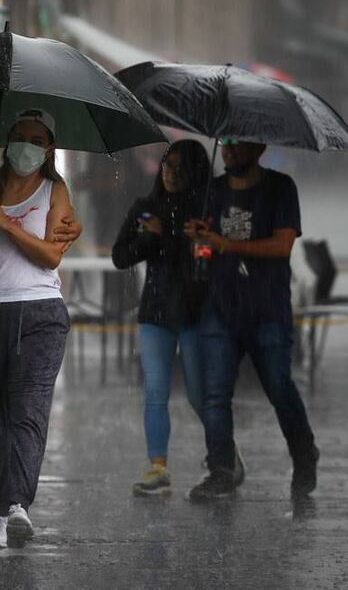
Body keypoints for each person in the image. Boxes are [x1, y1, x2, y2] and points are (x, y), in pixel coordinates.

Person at [0, 108, 74, 550]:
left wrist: (4, 223)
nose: (26, 147)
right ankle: (0, 514)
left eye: (36, 140)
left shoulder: (55, 190)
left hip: (40, 314)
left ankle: (18, 503)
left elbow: (51, 256)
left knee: (28, 411)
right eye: (19, 137)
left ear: (49, 148)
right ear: (6, 142)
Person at [185, 138, 319, 501]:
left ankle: (304, 454)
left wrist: (225, 244)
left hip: (267, 309)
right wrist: (200, 240)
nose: (228, 149)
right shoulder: (212, 191)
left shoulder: (280, 188)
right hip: (220, 308)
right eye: (225, 142)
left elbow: (282, 245)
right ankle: (221, 470)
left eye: (236, 143)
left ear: (258, 147)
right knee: (215, 395)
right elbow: (205, 246)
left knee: (279, 388)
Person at [112, 139, 244, 497]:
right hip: (155, 312)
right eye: (167, 165)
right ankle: (157, 467)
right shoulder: (146, 208)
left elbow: (220, 261)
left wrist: (199, 239)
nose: (171, 174)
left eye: (180, 168)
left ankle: (224, 453)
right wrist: (148, 237)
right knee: (155, 391)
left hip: (196, 313)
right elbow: (120, 256)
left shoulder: (208, 212)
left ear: (195, 172)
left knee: (200, 395)